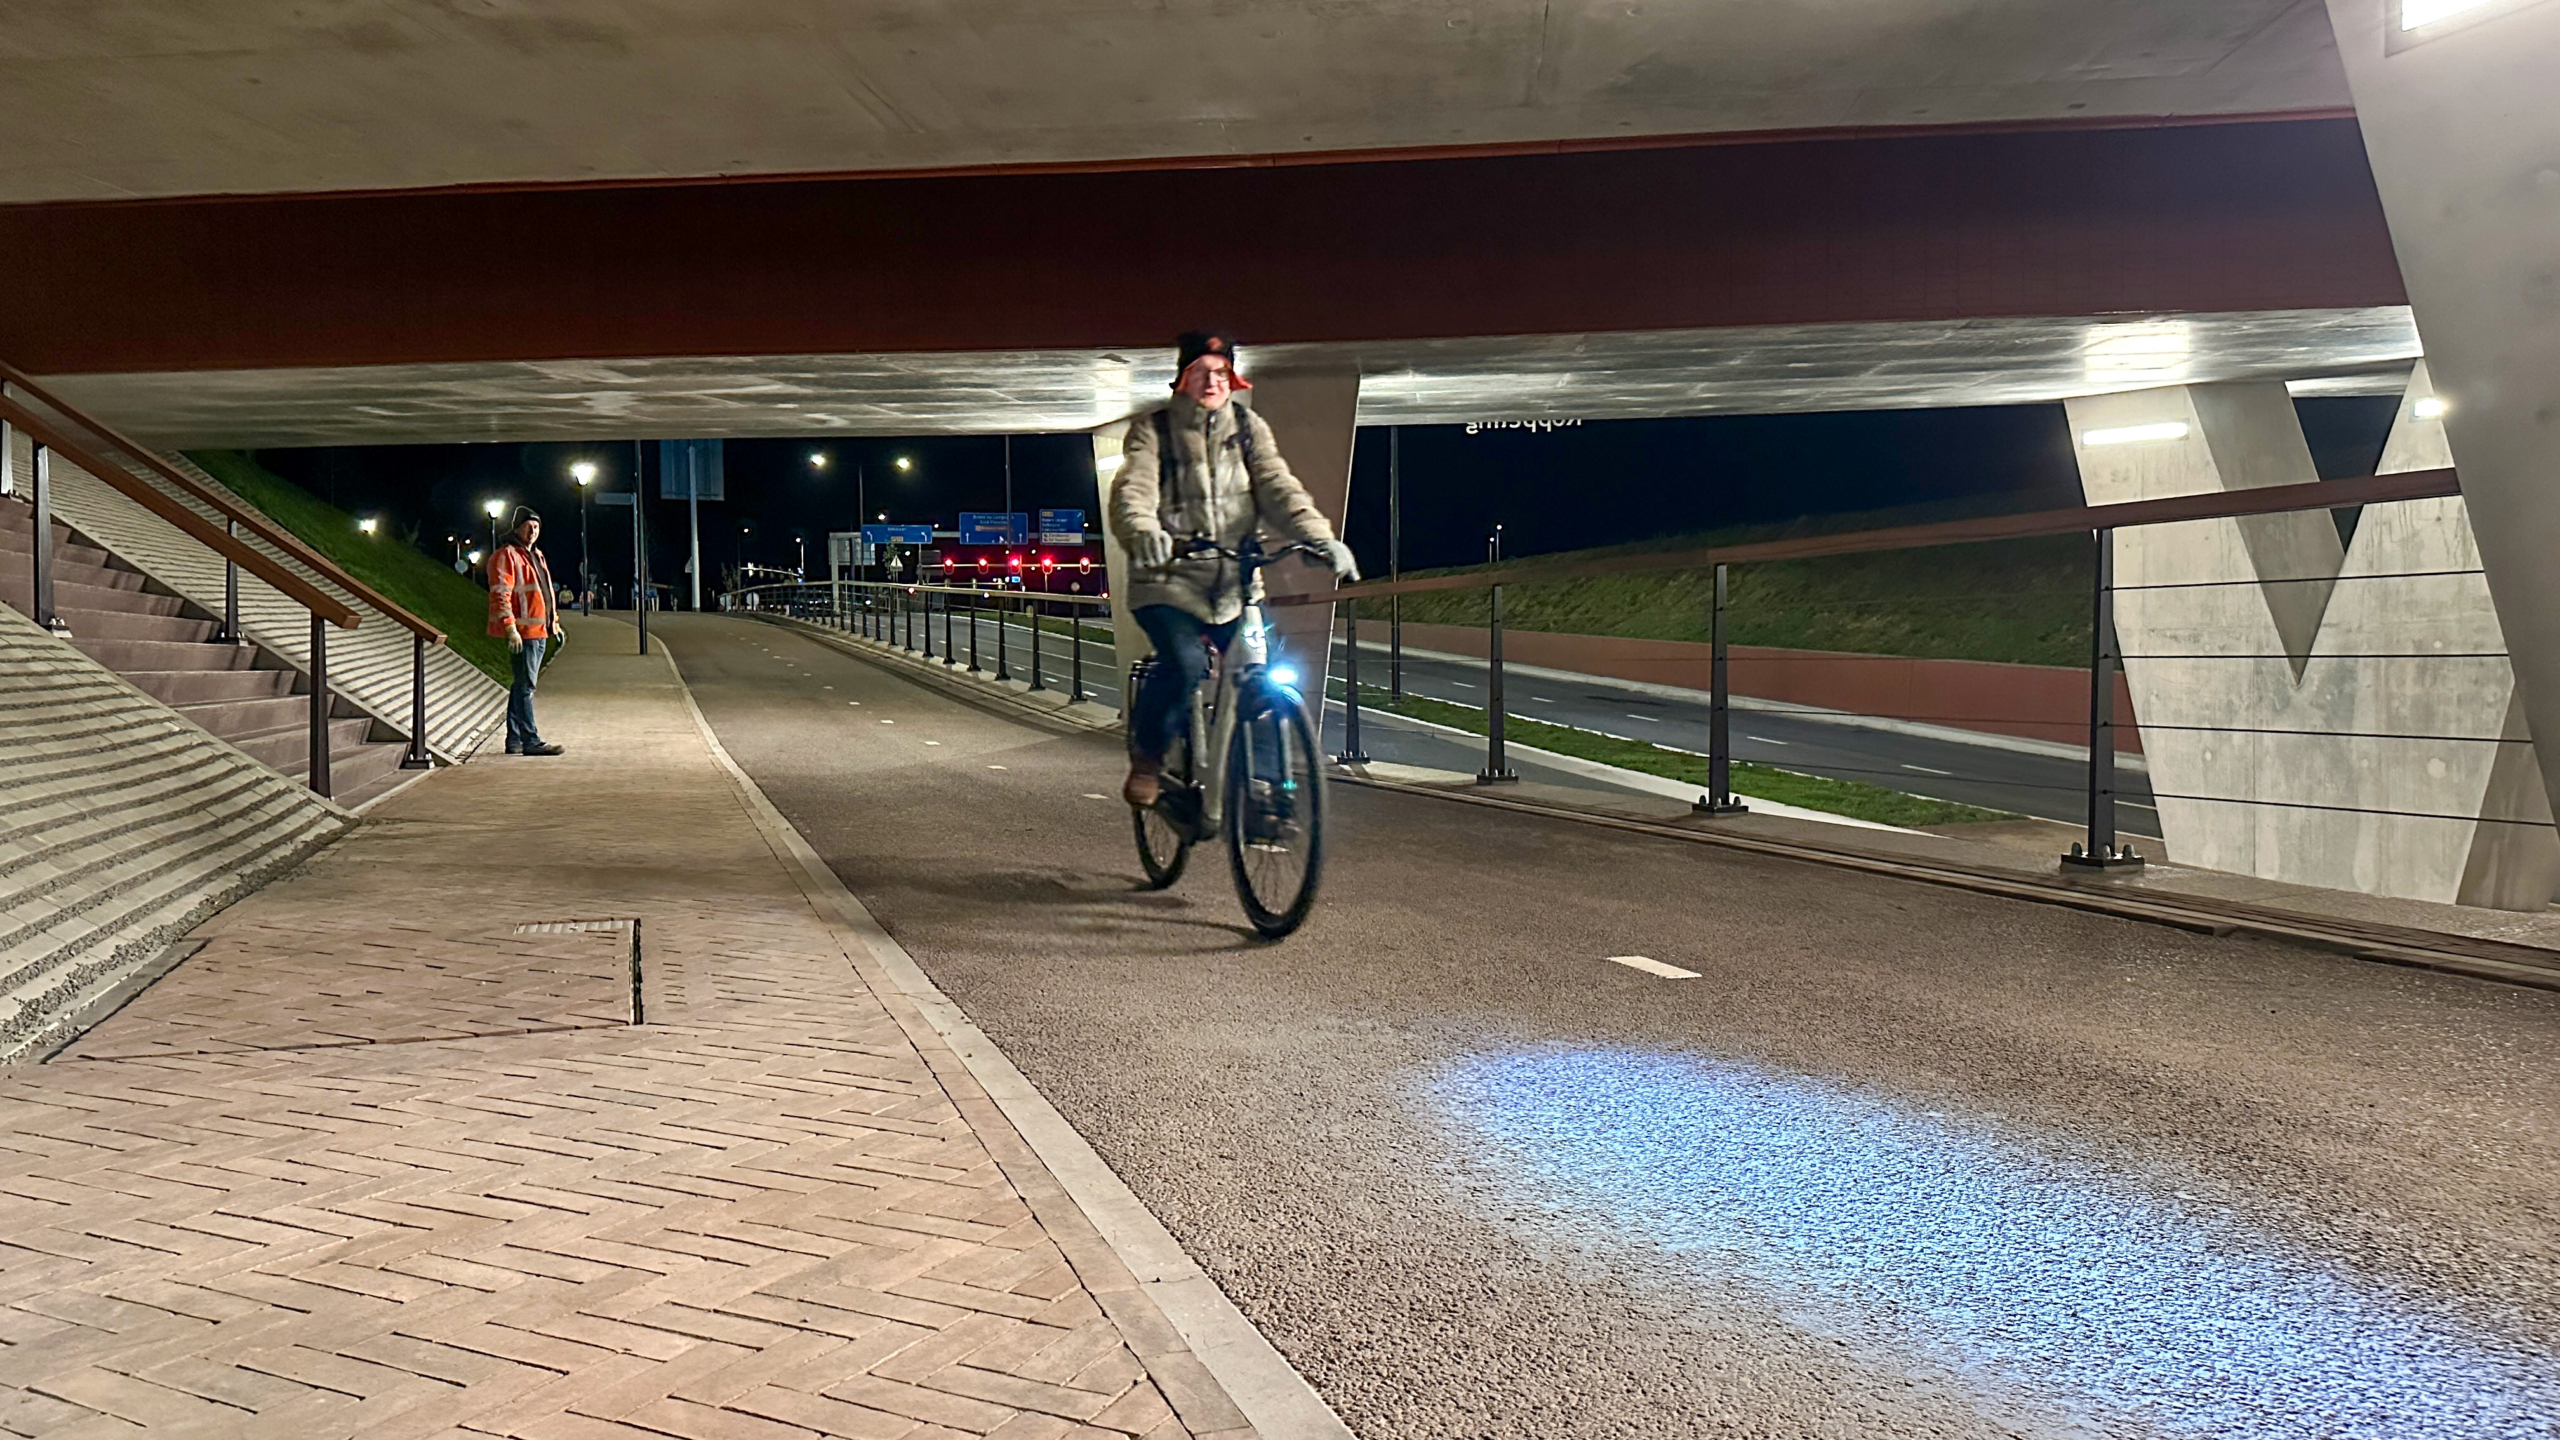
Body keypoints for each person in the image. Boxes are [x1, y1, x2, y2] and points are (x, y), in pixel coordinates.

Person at [1108, 330, 1359, 806]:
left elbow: (1279, 488)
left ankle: (1259, 785)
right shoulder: (1153, 430)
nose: (1211, 381)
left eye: (1220, 372)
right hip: (1167, 582)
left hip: (1236, 587)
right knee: (1182, 666)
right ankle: (1149, 758)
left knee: (1264, 675)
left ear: (1233, 379)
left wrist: (1320, 538)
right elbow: (1133, 491)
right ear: (1181, 380)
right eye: (1199, 372)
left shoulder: (1247, 428)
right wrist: (1143, 533)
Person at [487, 505, 565, 756]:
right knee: (526, 687)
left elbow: (544, 593)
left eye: (536, 527)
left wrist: (554, 623)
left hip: (539, 631)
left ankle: (514, 740)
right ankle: (531, 740)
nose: (532, 531)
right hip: (523, 633)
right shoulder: (506, 555)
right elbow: (501, 594)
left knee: (522, 685)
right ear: (516, 528)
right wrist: (510, 629)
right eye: (528, 526)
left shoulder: (536, 555)